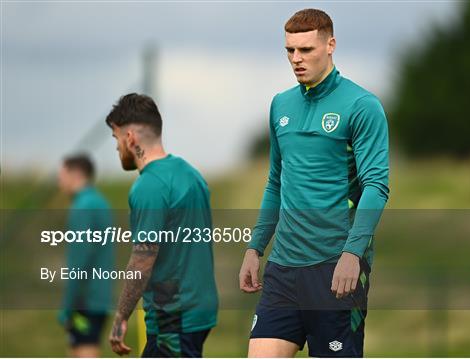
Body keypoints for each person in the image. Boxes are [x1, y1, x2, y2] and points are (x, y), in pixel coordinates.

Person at [239, 8, 390, 357]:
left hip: (335, 267)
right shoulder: (280, 105)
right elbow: (275, 182)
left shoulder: (362, 106)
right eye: (290, 50)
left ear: (330, 44)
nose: (296, 59)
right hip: (283, 269)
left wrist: (353, 253)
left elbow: (376, 186)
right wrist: (254, 248)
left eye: (306, 50)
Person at [105, 93, 218, 357]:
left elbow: (143, 257)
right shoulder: (190, 174)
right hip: (199, 307)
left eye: (116, 138)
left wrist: (121, 316)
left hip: (174, 313)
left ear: (130, 138)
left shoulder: (149, 186)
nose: (117, 147)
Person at [57, 154, 114, 357]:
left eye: (62, 175)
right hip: (98, 298)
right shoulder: (99, 202)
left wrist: (68, 304)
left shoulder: (83, 206)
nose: (59, 181)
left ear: (76, 174)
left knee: (84, 351)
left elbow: (79, 260)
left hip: (85, 302)